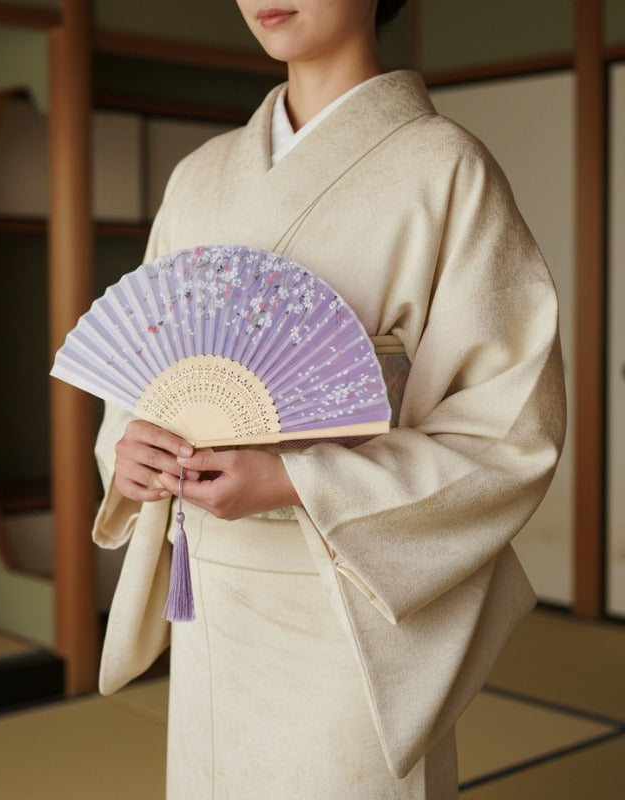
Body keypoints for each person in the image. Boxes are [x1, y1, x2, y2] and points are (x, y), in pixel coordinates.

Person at [91, 1, 566, 797]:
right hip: (215, 598)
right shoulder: (199, 177)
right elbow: (149, 379)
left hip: (350, 605)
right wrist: (133, 454)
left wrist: (296, 479)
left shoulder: (445, 167)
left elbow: (508, 434)